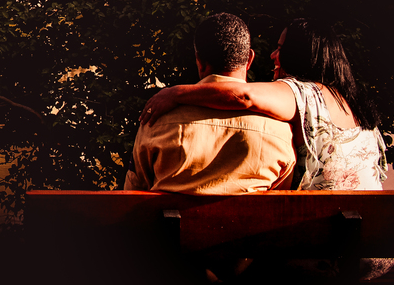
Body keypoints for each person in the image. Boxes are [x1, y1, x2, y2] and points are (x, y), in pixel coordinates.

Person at [142, 17, 392, 278]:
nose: (273, 54)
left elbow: (244, 96)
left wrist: (175, 94)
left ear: (298, 55)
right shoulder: (357, 106)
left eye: (280, 48)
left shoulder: (301, 92)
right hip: (373, 244)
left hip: (324, 246)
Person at [125, 13, 295, 193]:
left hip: (173, 221)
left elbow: (133, 191)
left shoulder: (156, 120)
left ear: (199, 61)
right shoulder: (281, 130)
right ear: (249, 60)